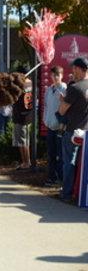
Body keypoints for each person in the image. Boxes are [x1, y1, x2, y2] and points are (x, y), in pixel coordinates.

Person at [58, 57, 88, 202]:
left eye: (74, 68)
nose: (72, 71)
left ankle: (67, 193)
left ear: (81, 69)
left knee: (69, 163)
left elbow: (62, 111)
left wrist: (63, 101)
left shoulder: (75, 88)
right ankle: (81, 192)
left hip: (72, 131)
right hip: (86, 132)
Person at [43, 66, 67, 186]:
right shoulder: (49, 89)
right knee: (51, 154)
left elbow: (66, 109)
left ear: (62, 75)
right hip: (50, 126)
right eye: (53, 75)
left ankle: (60, 179)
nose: (55, 77)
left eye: (57, 75)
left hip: (60, 128)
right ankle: (51, 177)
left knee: (60, 155)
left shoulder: (64, 89)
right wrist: (45, 120)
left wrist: (62, 124)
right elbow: (46, 106)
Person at [12, 66, 33, 170]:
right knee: (20, 141)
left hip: (23, 118)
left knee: (24, 141)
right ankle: (24, 162)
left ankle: (27, 162)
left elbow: (28, 103)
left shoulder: (27, 83)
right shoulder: (22, 83)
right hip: (18, 116)